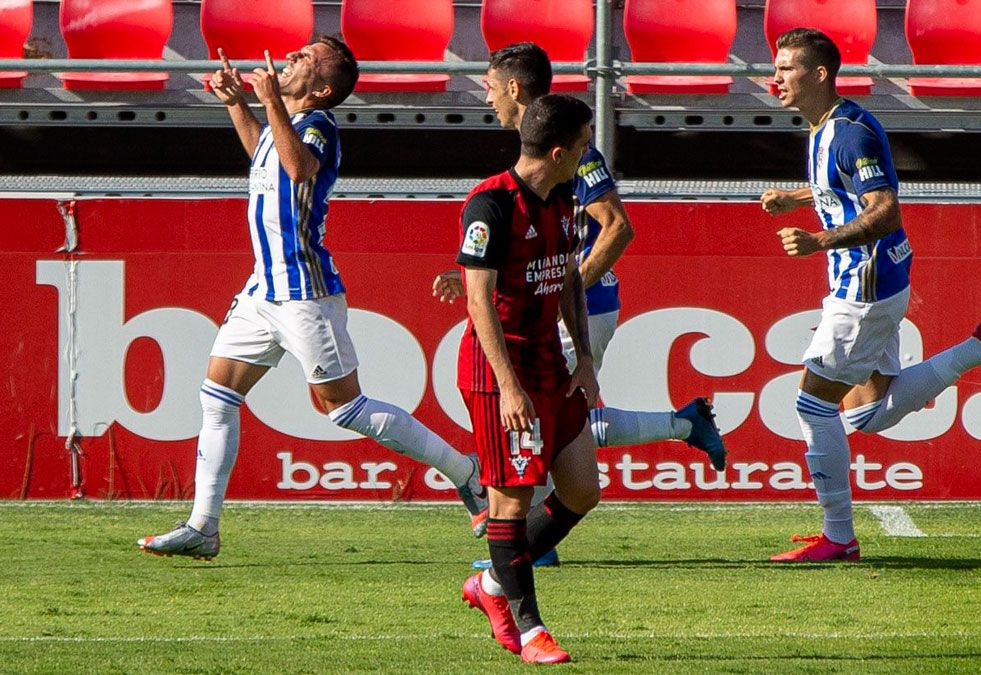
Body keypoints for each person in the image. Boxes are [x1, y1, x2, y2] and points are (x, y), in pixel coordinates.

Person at [137, 38, 486, 560]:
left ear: (321, 88)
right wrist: (237, 101)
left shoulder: (318, 125)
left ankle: (467, 473)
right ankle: (203, 527)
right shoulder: (288, 125)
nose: (293, 57)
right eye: (297, 50)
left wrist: (270, 100)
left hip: (304, 291)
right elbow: (267, 157)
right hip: (262, 289)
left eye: (307, 58)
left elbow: (299, 170)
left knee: (344, 410)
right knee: (216, 396)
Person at [761, 28, 981, 562]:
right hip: (873, 276)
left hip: (863, 284)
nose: (774, 78)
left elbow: (885, 209)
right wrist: (796, 198)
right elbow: (844, 187)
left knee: (811, 406)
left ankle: (839, 537)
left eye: (785, 69)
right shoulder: (829, 126)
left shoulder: (849, 133)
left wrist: (816, 239)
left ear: (819, 74)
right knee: (862, 414)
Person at [433, 43, 727, 563]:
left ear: (516, 89)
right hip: (554, 304)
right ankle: (683, 425)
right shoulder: (533, 162)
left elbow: (616, 226)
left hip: (578, 306)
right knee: (558, 421)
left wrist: (549, 290)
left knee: (546, 419)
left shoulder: (574, 153)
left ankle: (525, 549)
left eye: (492, 86)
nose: (487, 96)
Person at [457, 95, 599, 664]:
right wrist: (508, 388)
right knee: (511, 501)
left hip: (552, 366)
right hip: (502, 375)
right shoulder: (489, 204)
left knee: (582, 490)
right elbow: (478, 299)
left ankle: (492, 585)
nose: (590, 152)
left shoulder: (564, 196)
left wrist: (584, 355)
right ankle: (529, 629)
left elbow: (566, 279)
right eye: (586, 143)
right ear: (560, 151)